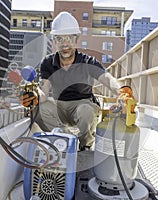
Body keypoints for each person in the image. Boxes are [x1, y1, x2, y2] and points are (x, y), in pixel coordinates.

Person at [21, 11, 121, 150]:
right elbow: (43, 92)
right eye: (60, 39)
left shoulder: (88, 61)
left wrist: (121, 91)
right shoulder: (48, 62)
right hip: (59, 105)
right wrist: (35, 97)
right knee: (37, 109)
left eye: (69, 38)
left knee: (86, 111)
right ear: (54, 41)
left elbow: (107, 79)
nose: (65, 44)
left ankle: (85, 145)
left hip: (82, 104)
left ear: (76, 40)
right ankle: (65, 140)